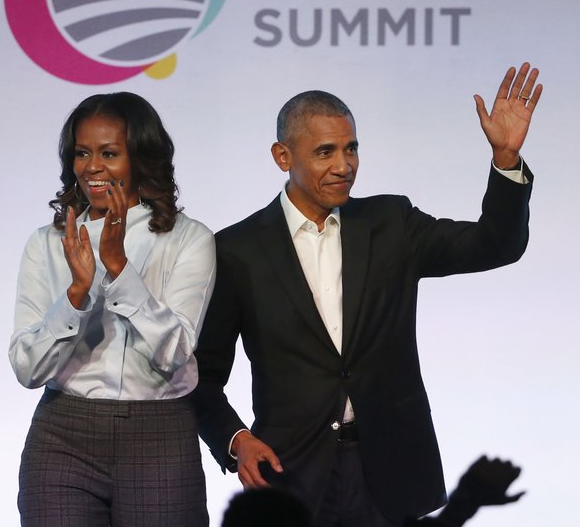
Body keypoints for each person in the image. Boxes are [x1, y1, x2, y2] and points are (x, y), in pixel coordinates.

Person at [191, 63, 542, 526]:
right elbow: (200, 376)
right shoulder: (236, 250)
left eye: (351, 148)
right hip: (292, 474)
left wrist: (506, 161)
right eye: (325, 152)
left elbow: (497, 245)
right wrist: (235, 440)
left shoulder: (391, 224)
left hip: (391, 469)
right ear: (282, 156)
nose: (344, 165)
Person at [9, 92, 215, 527]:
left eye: (109, 153)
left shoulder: (188, 239)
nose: (93, 167)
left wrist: (119, 268)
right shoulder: (47, 243)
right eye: (82, 153)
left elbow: (175, 351)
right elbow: (28, 368)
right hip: (64, 431)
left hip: (158, 433)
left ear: (140, 158)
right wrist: (77, 294)